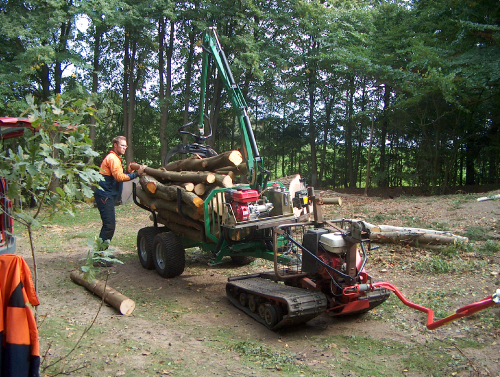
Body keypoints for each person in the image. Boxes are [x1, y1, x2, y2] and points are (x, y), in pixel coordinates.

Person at [94, 136, 146, 246]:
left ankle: (102, 253)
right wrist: (137, 174)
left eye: (125, 145)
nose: (124, 148)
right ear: (115, 145)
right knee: (109, 226)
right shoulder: (112, 158)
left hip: (106, 195)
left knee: (108, 225)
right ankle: (98, 256)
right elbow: (119, 177)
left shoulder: (115, 157)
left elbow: (118, 175)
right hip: (104, 195)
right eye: (122, 145)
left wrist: (129, 172)